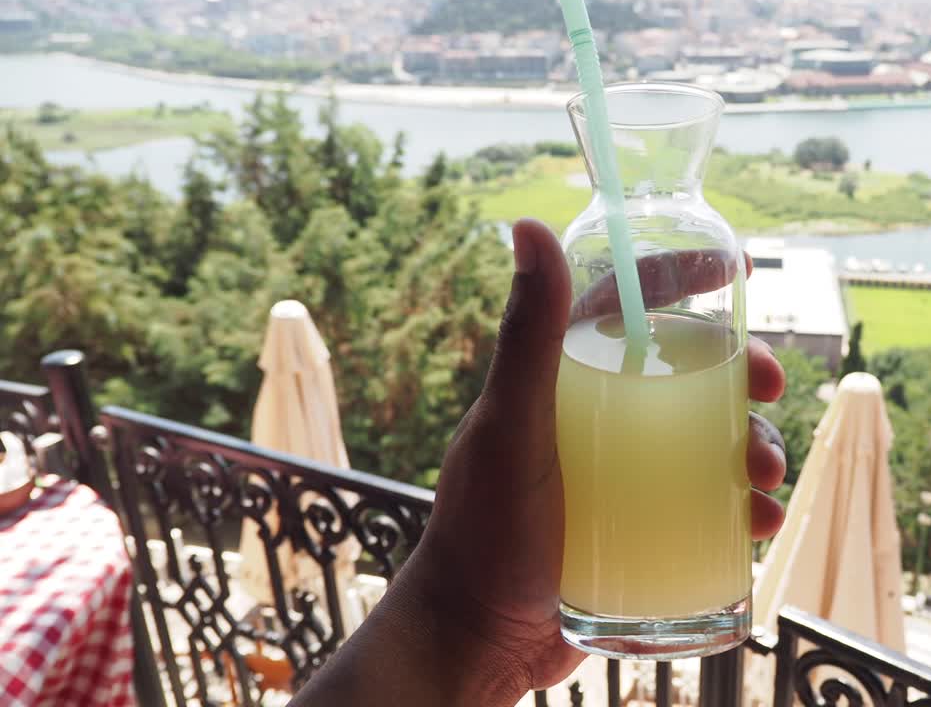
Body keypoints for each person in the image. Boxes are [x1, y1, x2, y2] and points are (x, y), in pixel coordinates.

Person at [292, 219, 789, 705]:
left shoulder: (714, 240)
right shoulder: (594, 247)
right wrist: (473, 622)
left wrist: (473, 635)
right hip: (581, 608)